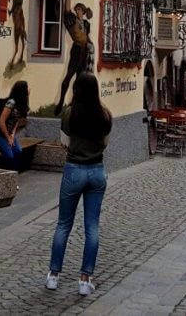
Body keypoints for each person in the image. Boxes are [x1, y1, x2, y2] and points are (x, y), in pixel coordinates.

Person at [47, 72, 111, 296]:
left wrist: (75, 150)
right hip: (96, 171)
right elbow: (104, 144)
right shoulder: (105, 115)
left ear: (76, 90)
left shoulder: (68, 114)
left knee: (63, 224)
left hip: (74, 169)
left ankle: (53, 276)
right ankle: (85, 279)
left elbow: (63, 142)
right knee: (91, 227)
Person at [55, 0, 94, 114]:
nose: (77, 11)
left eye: (80, 10)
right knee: (68, 76)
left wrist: (91, 45)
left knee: (80, 78)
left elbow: (87, 37)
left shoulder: (86, 24)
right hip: (76, 49)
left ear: (83, 12)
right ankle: (60, 102)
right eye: (76, 9)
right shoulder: (72, 20)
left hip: (85, 51)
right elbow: (66, 9)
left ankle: (75, 102)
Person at [0, 81, 29, 169]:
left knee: (18, 151)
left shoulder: (21, 104)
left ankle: (13, 174)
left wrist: (12, 135)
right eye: (27, 88)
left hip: (8, 132)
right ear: (22, 91)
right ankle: (7, 177)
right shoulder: (11, 102)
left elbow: (16, 121)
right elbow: (1, 121)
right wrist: (8, 138)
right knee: (9, 156)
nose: (28, 90)